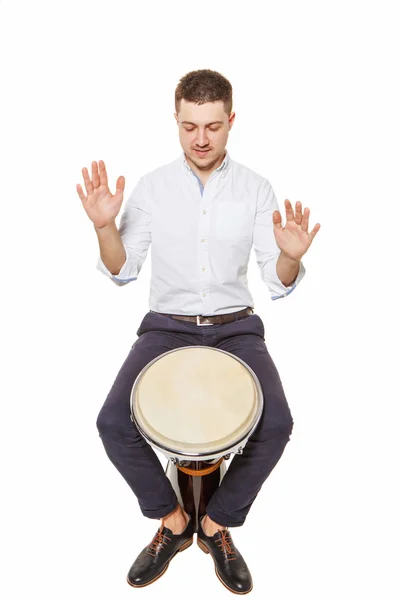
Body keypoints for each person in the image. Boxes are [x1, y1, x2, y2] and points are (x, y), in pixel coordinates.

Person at [77, 69, 320, 594]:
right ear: (177, 121)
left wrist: (290, 258)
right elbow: (123, 269)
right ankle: (172, 521)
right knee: (112, 422)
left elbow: (275, 279)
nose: (201, 138)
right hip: (167, 326)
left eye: (212, 126)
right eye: (190, 126)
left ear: (231, 121)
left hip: (236, 330)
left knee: (276, 423)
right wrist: (103, 227)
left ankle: (217, 524)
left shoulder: (256, 188)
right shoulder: (151, 188)